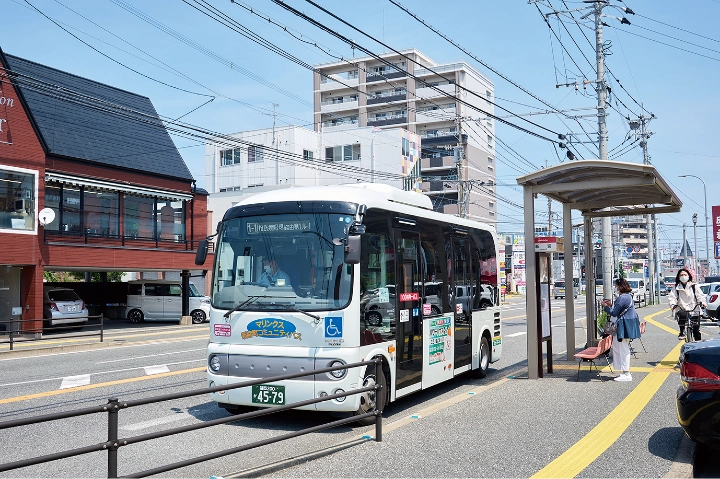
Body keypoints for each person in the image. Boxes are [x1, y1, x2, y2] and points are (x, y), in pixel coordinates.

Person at [602, 278, 641, 382]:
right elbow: (617, 310)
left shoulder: (622, 298)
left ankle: (626, 373)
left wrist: (606, 307)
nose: (615, 288)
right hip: (625, 325)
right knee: (620, 348)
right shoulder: (627, 297)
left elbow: (614, 313)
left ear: (620, 286)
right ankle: (623, 372)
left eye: (616, 286)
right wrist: (611, 305)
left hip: (622, 326)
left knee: (623, 349)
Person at [668, 267, 706, 341]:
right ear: (679, 277)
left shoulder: (694, 286)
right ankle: (681, 332)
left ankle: (699, 345)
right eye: (681, 275)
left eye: (685, 275)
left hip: (694, 308)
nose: (683, 276)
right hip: (682, 307)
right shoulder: (676, 287)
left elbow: (700, 295)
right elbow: (672, 297)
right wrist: (672, 304)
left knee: (696, 330)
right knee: (682, 316)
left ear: (688, 276)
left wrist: (703, 303)